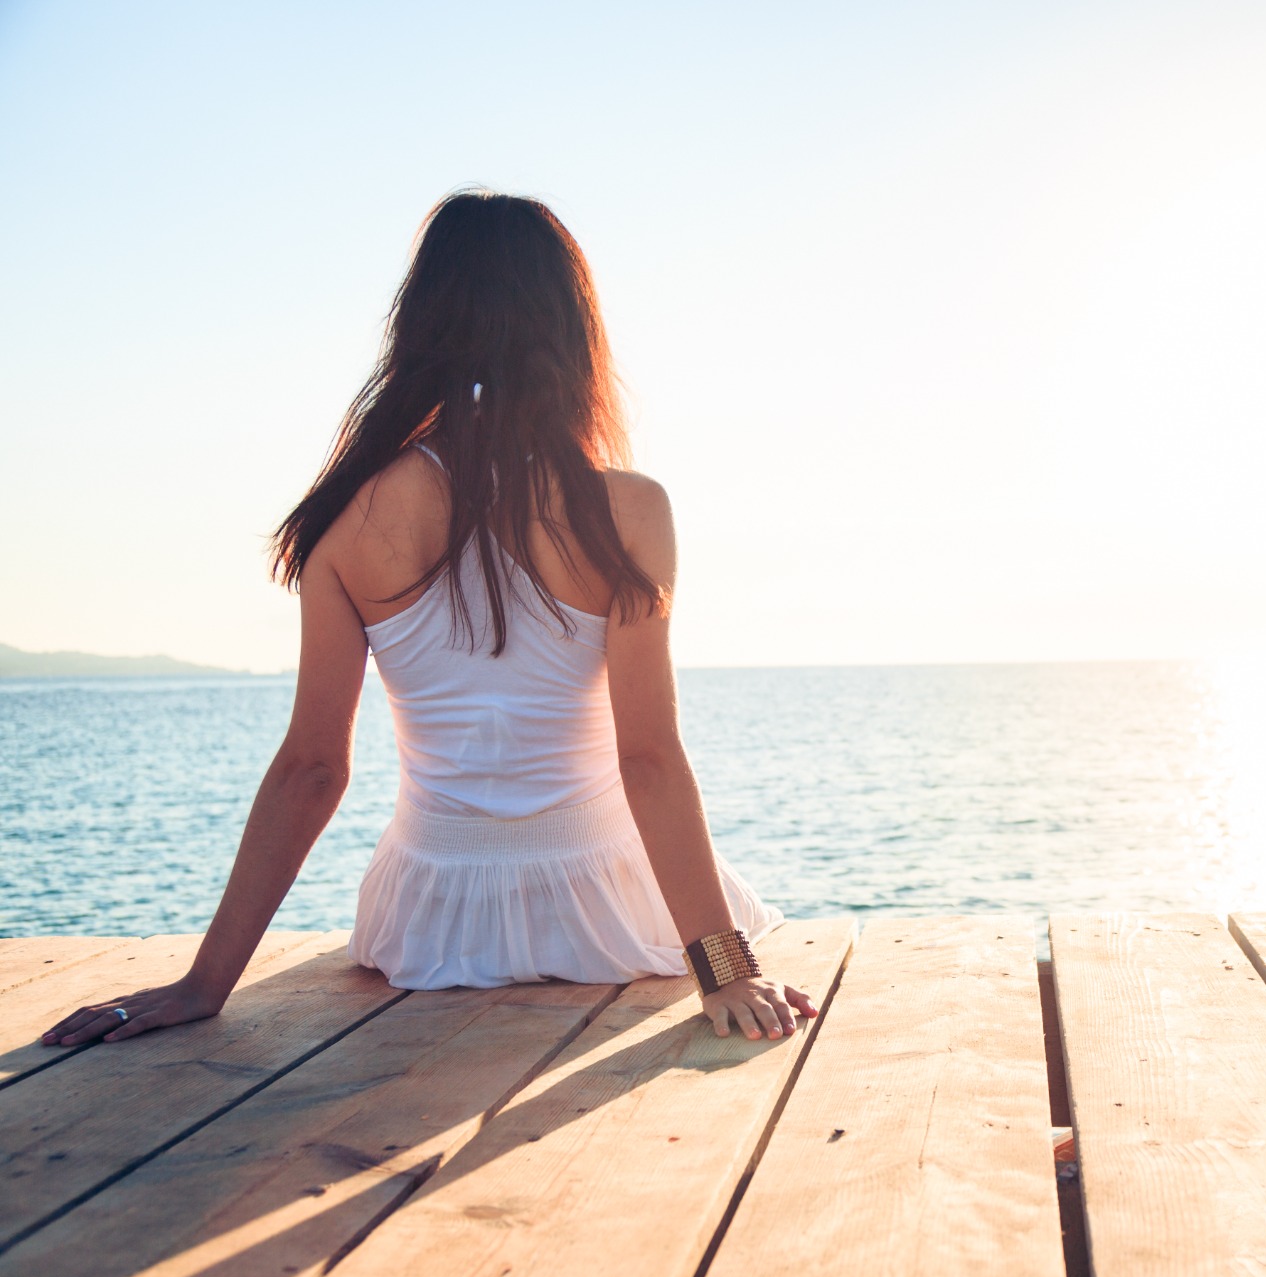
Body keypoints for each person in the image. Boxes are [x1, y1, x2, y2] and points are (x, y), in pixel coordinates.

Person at [42, 190, 810, 1049]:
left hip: (431, 927)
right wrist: (725, 970)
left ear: (420, 324)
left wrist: (203, 983)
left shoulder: (346, 517)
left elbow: (311, 769)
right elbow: (649, 759)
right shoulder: (625, 511)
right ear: (568, 328)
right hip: (609, 912)